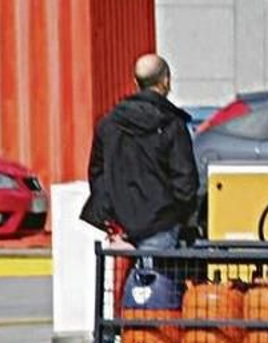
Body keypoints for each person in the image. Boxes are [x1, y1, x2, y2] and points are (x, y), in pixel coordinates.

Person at [80, 54, 200, 252]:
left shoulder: (108, 124)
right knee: (156, 280)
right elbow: (185, 180)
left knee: (120, 281)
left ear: (136, 82)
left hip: (120, 226)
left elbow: (97, 175)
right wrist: (178, 215)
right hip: (161, 223)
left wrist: (111, 217)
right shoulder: (172, 124)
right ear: (166, 81)